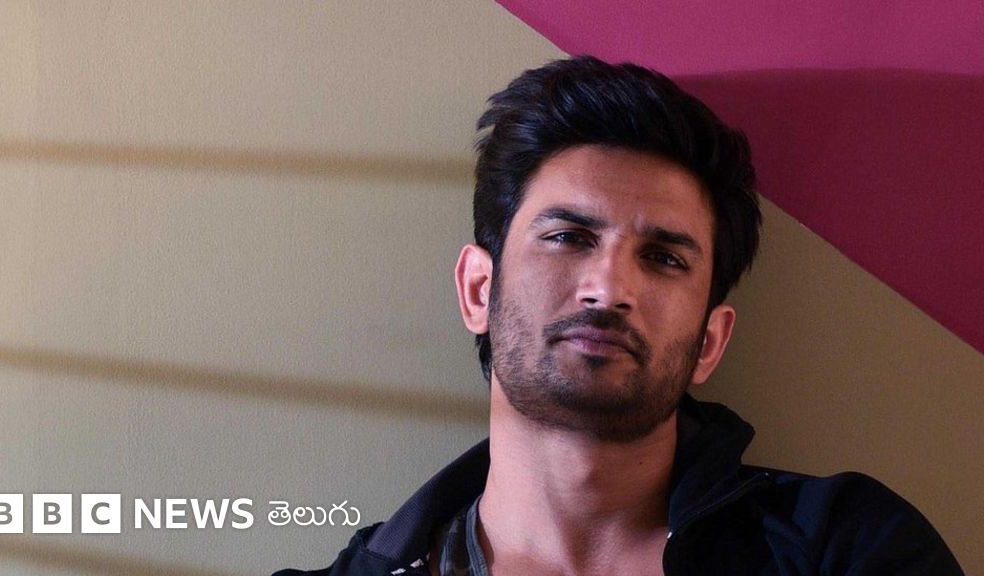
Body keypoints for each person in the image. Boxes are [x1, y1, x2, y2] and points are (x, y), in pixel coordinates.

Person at [275, 56, 963, 576]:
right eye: (568, 237)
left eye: (663, 258)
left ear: (710, 342)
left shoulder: (850, 549)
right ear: (480, 291)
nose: (608, 289)